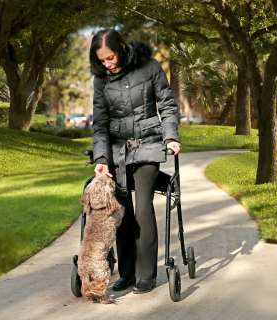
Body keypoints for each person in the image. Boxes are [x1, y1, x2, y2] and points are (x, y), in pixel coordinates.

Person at [89, 29, 181, 294]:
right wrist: (103, 158)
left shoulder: (150, 67)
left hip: (149, 146)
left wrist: (170, 137)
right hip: (117, 151)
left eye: (111, 57)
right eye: (102, 60)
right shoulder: (101, 80)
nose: (108, 63)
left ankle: (146, 275)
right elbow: (101, 124)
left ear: (121, 46)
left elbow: (167, 105)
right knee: (122, 211)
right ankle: (127, 274)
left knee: (142, 208)